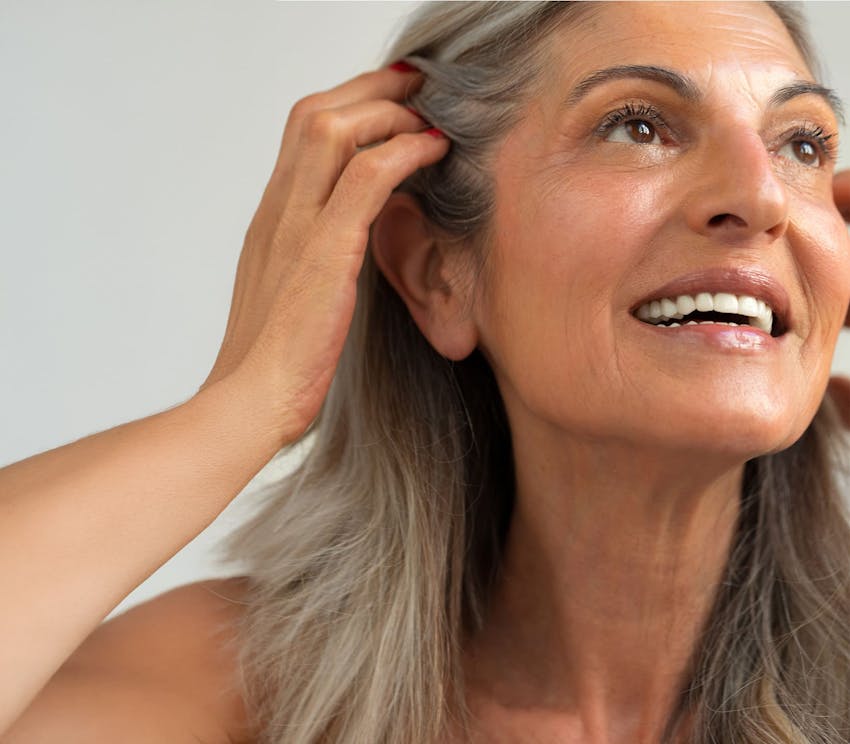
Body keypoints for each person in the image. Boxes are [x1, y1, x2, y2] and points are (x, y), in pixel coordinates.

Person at [3, 1, 850, 742]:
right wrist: (239, 410)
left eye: (802, 143)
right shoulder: (240, 696)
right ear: (439, 275)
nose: (763, 195)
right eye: (638, 124)